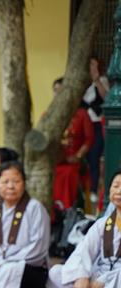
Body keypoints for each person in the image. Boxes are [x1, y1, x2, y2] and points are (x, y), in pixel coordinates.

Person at [38, 170, 121, 288]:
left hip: (117, 278)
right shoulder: (102, 224)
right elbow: (84, 250)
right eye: (116, 186)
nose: (119, 191)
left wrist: (104, 281)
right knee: (56, 271)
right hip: (100, 274)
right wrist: (81, 276)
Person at [52, 77, 94, 210]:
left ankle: (67, 210)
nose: (57, 95)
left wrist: (77, 156)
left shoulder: (82, 114)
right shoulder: (48, 115)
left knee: (68, 174)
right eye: (55, 91)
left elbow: (89, 139)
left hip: (73, 162)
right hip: (55, 161)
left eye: (61, 91)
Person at [83, 57, 109, 202]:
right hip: (83, 123)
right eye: (91, 64)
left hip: (97, 123)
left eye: (95, 64)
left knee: (95, 154)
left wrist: (97, 79)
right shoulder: (80, 83)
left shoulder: (102, 80)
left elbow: (106, 97)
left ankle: (94, 189)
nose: (93, 67)